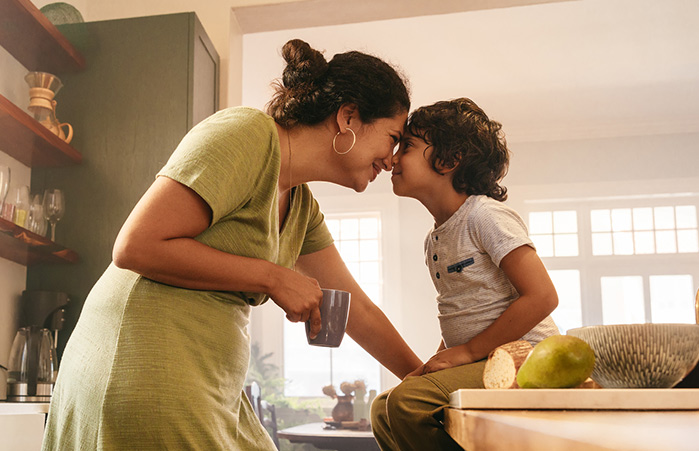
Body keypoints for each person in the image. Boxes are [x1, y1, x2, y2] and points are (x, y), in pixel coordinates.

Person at [42, 39, 422, 450]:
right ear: (348, 116)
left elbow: (357, 307)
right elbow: (135, 245)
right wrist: (274, 278)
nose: (392, 159)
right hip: (143, 363)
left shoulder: (301, 206)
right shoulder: (248, 134)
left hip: (209, 380)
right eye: (392, 137)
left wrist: (427, 382)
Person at [371, 98, 560, 450]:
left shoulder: (485, 216)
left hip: (527, 357)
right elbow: (462, 311)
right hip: (483, 356)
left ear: (449, 160)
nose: (393, 158)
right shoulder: (435, 239)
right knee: (383, 408)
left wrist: (468, 351)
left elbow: (543, 296)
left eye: (407, 146)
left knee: (409, 402)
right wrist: (440, 359)